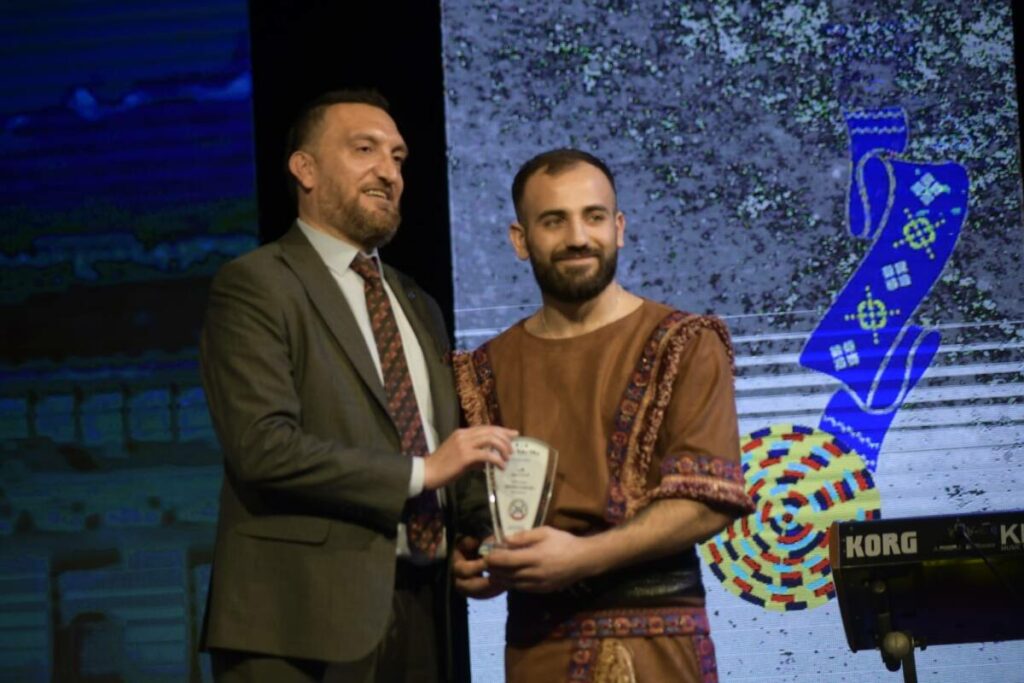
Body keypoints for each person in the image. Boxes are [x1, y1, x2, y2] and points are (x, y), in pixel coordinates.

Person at [199, 88, 516, 683]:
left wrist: (475, 536)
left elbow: (437, 438)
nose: (388, 172)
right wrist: (422, 473)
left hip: (423, 608)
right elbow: (262, 447)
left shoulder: (417, 303)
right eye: (364, 149)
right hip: (297, 622)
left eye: (397, 157)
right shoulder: (257, 284)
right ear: (305, 168)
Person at [452, 148, 755, 683]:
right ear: (520, 240)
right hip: (536, 647)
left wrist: (582, 558)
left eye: (593, 217)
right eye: (554, 221)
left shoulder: (685, 343)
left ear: (618, 228)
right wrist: (480, 560)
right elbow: (480, 514)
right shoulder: (483, 369)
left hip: (657, 646)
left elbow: (708, 500)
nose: (577, 237)